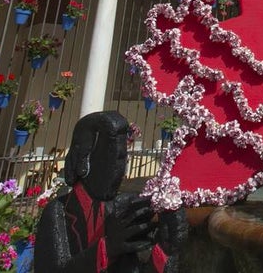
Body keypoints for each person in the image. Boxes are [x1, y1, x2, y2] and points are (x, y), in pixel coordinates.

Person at [35, 111, 187, 273]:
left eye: (122, 159)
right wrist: (107, 248)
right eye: (111, 158)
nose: (119, 170)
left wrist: (165, 250)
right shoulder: (58, 212)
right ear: (83, 161)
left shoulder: (121, 210)